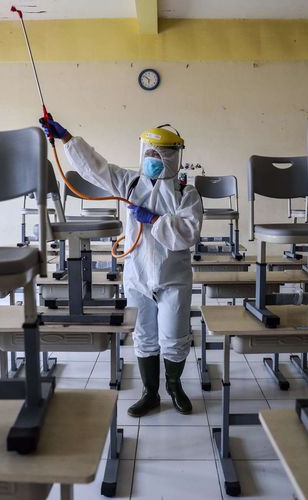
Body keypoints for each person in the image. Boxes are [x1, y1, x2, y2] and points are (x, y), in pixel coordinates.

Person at [43, 118, 202, 417]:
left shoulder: (186, 194)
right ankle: (150, 392)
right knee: (143, 334)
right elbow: (95, 168)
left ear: (173, 156)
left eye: (159, 154)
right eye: (149, 153)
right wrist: (66, 139)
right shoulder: (129, 182)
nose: (152, 159)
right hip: (138, 275)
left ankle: (174, 387)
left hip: (174, 278)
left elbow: (188, 235)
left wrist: (153, 220)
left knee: (174, 334)